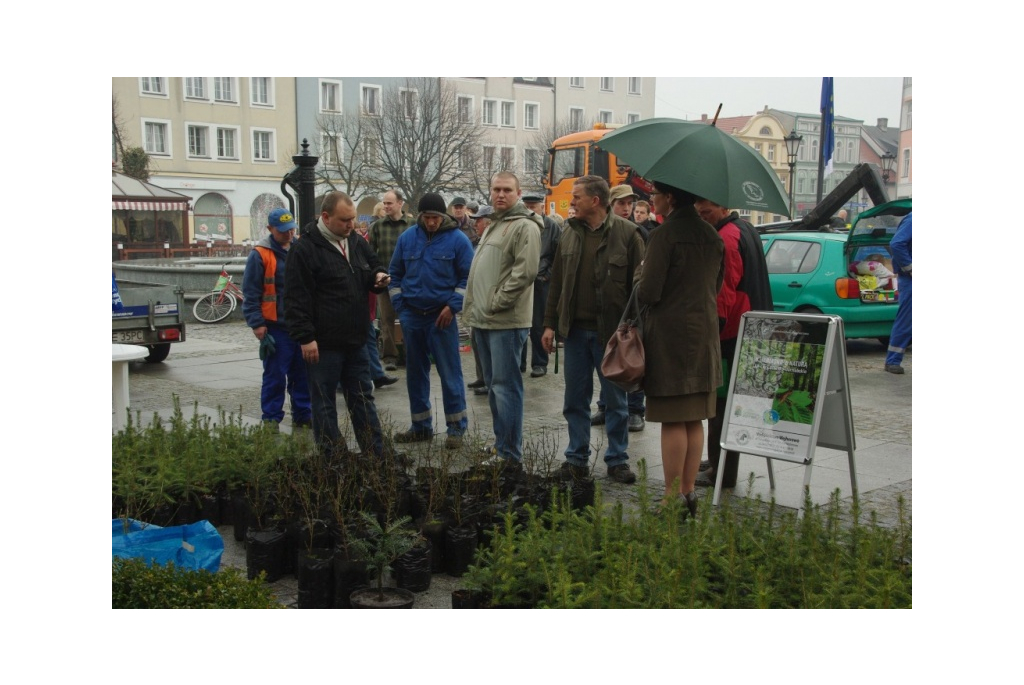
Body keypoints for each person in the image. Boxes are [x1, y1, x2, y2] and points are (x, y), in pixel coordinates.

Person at [541, 176, 645, 485]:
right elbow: (557, 284)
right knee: (575, 399)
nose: (571, 202)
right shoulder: (569, 235)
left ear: (595, 201)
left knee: (616, 401)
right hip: (574, 334)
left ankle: (617, 460)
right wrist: (549, 325)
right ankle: (576, 458)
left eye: (576, 197)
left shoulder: (629, 235)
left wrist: (636, 332)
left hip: (612, 336)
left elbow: (640, 289)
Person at [284, 191, 393, 462]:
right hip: (323, 343)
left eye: (353, 219)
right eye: (345, 220)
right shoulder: (305, 248)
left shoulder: (353, 240)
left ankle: (376, 453)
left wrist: (377, 276)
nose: (351, 225)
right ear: (325, 217)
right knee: (323, 402)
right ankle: (334, 458)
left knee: (362, 397)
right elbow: (296, 297)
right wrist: (305, 337)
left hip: (356, 339)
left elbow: (372, 265)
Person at [636, 181, 724, 516]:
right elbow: (715, 285)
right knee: (693, 419)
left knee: (673, 419)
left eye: (654, 195)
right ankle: (687, 492)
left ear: (670, 197)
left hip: (671, 336)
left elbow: (649, 292)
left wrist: (639, 275)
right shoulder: (711, 235)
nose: (652, 200)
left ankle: (670, 498)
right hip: (703, 334)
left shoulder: (665, 235)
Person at [693, 198, 773, 488]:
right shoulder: (745, 228)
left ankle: (721, 472)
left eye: (707, 206)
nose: (701, 211)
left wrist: (712, 331)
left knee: (721, 406)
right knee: (729, 404)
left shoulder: (726, 239)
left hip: (732, 333)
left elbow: (724, 293)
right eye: (698, 205)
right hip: (751, 327)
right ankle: (719, 460)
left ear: (724, 206)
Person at [463, 172, 541, 466]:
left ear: (518, 193)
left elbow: (526, 272)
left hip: (505, 321)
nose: (500, 194)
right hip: (484, 319)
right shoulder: (495, 225)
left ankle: (510, 454)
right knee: (495, 387)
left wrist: (497, 302)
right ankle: (501, 444)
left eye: (507, 190)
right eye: (496, 189)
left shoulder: (524, 226)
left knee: (506, 388)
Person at [388, 193, 475, 449]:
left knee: (450, 374)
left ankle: (456, 428)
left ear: (443, 216)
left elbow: (467, 278)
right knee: (415, 374)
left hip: (442, 318)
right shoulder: (407, 239)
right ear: (420, 216)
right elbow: (395, 275)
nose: (431, 223)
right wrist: (401, 309)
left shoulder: (458, 241)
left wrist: (451, 307)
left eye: (436, 218)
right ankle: (420, 426)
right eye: (427, 218)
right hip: (413, 316)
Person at [241, 208, 312, 429]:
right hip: (275, 327)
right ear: (270, 229)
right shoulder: (260, 254)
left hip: (300, 325)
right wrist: (257, 323)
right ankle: (271, 417)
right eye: (283, 232)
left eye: (292, 229)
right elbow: (251, 292)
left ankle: (303, 414)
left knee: (302, 374)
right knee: (275, 376)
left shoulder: (301, 248)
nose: (289, 235)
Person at [594, 184, 649, 432]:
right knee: (609, 363)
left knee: (632, 363)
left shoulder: (636, 233)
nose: (626, 208)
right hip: (605, 314)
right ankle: (605, 406)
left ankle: (636, 410)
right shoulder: (601, 232)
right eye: (621, 203)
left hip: (630, 315)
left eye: (630, 204)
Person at [369, 189, 414, 371]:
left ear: (400, 203)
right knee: (386, 319)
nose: (386, 206)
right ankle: (390, 357)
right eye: (385, 203)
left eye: (390, 203)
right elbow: (371, 254)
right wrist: (376, 274)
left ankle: (410, 353)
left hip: (409, 280)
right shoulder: (377, 227)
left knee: (408, 318)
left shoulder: (412, 224)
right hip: (385, 279)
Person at [521, 192, 561, 378]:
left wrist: (547, 276)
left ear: (541, 206)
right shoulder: (520, 224)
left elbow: (558, 256)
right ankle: (518, 362)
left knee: (538, 324)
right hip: (521, 282)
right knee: (519, 323)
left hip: (541, 282)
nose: (530, 210)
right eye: (527, 206)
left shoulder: (551, 226)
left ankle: (540, 362)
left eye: (533, 206)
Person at [356, 221, 398, 390]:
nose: (352, 225)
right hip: (344, 309)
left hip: (363, 304)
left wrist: (379, 273)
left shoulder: (357, 242)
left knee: (370, 337)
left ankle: (377, 375)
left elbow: (373, 263)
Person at [465, 206, 494, 396]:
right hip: (477, 302)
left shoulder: (491, 242)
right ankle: (482, 377)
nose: (475, 224)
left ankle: (489, 380)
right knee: (476, 341)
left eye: (479, 220)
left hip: (488, 303)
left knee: (486, 345)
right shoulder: (480, 241)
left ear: (489, 221)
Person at [885, 212, 912, 374]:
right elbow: (897, 244)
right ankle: (893, 360)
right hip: (910, 280)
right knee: (907, 320)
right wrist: (910, 268)